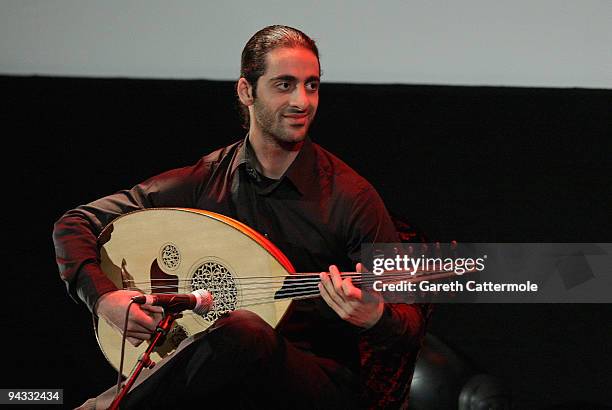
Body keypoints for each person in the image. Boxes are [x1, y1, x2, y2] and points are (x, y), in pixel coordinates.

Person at [53, 25, 429, 409]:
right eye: (284, 84)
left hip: (316, 382)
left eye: (311, 85)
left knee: (246, 329)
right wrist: (103, 298)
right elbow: (76, 223)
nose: (302, 101)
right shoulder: (206, 179)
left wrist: (375, 316)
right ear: (246, 91)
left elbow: (409, 323)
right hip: (218, 371)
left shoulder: (351, 197)